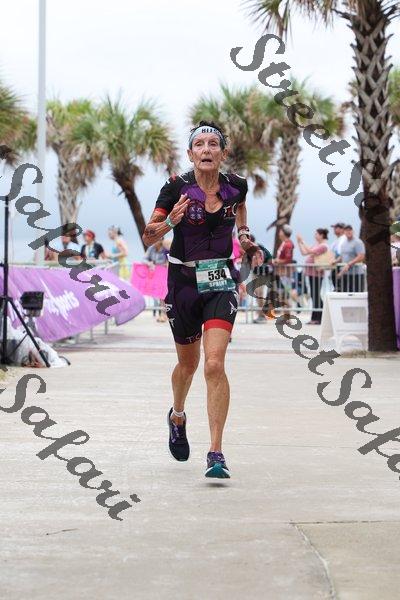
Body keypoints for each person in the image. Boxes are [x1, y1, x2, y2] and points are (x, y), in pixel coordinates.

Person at [142, 120, 264, 479]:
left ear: (223, 153)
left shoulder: (236, 186)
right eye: (200, 144)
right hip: (182, 282)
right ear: (190, 153)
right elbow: (148, 236)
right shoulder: (175, 187)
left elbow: (241, 210)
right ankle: (178, 415)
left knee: (213, 364)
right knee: (188, 365)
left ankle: (216, 452)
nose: (207, 149)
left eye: (213, 144)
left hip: (220, 279)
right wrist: (170, 222)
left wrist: (245, 238)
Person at [297, 228, 329, 324]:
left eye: (316, 234)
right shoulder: (316, 245)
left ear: (322, 235)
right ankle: (315, 317)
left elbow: (310, 251)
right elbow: (304, 253)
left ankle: (319, 317)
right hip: (311, 273)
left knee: (316, 295)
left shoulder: (323, 246)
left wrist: (302, 241)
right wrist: (299, 243)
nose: (315, 236)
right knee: (314, 295)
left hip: (317, 274)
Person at [144, 238, 169, 322]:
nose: (155, 241)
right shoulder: (151, 249)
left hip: (165, 275)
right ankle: (163, 314)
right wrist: (150, 263)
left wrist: (163, 265)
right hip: (157, 275)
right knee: (161, 296)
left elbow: (169, 262)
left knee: (164, 296)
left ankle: (164, 315)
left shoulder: (166, 249)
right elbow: (144, 259)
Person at [336, 225, 366, 292]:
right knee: (345, 294)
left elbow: (361, 256)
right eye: (346, 230)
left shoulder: (358, 242)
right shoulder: (343, 243)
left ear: (353, 231)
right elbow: (342, 256)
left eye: (350, 230)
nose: (348, 232)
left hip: (356, 274)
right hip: (345, 273)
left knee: (357, 294)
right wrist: (335, 261)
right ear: (344, 232)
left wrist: (349, 264)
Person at [330, 222, 346, 290]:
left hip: (341, 266)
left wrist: (336, 261)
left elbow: (343, 254)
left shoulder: (344, 239)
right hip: (336, 266)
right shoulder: (336, 241)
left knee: (340, 288)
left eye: (336, 228)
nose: (334, 229)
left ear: (342, 229)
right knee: (336, 287)